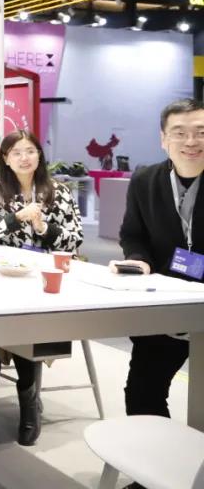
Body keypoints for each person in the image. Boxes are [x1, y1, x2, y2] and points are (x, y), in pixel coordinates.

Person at [0, 130, 83, 446]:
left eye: (30, 151)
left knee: (24, 331)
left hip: (43, 281)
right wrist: (17, 218)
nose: (24, 157)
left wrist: (43, 227)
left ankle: (28, 408)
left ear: (39, 155)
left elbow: (74, 240)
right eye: (16, 152)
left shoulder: (58, 192)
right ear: (5, 159)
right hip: (2, 278)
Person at [115, 98, 204, 419]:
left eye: (201, 132)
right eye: (179, 133)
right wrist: (138, 259)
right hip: (167, 303)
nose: (191, 141)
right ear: (163, 139)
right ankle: (157, 452)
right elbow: (132, 234)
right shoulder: (145, 181)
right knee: (142, 394)